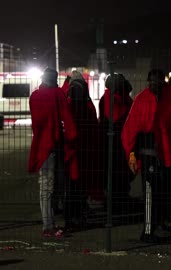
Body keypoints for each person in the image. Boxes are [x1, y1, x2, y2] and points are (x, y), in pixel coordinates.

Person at [121, 69, 171, 243]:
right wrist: (131, 152)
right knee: (149, 192)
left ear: (163, 82)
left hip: (166, 153)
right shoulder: (142, 99)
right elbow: (130, 129)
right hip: (149, 153)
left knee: (163, 191)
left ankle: (159, 223)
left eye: (157, 81)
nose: (154, 84)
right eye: (151, 81)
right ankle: (148, 231)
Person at [28, 68, 78, 237]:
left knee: (45, 187)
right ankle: (49, 226)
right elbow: (68, 119)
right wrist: (72, 136)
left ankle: (48, 223)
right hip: (55, 144)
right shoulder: (57, 94)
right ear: (55, 79)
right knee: (54, 186)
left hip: (40, 145)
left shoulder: (34, 96)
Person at [67, 71, 102, 228]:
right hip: (84, 149)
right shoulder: (87, 106)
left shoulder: (69, 105)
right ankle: (77, 215)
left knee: (73, 185)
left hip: (73, 150)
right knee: (79, 185)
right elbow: (93, 128)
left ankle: (74, 216)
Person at [99, 73, 134, 208]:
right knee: (116, 170)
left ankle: (119, 197)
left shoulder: (112, 97)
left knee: (119, 170)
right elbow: (114, 117)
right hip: (114, 140)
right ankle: (117, 199)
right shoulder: (113, 99)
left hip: (114, 139)